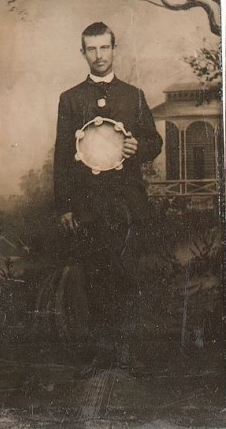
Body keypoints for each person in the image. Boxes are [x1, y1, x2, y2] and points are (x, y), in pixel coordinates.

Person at [53, 22, 162, 373]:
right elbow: (60, 156)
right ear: (82, 52)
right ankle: (101, 352)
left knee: (128, 275)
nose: (99, 56)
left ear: (114, 49)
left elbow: (154, 143)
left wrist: (138, 147)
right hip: (88, 204)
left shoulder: (134, 95)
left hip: (127, 202)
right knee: (96, 276)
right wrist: (65, 205)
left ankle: (129, 351)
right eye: (92, 49)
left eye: (104, 48)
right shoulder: (70, 99)